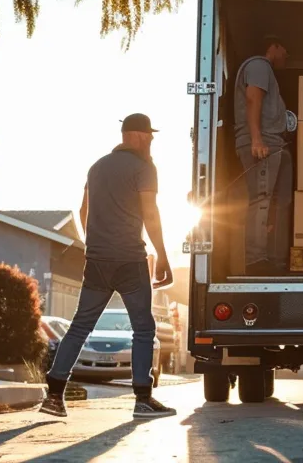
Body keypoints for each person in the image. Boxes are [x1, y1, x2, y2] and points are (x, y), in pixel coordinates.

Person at [39, 113, 177, 420]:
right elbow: (150, 213)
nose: (151, 140)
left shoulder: (97, 167)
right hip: (129, 259)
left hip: (98, 261)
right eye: (149, 135)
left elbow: (83, 209)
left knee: (79, 326)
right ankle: (143, 398)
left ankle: (54, 395)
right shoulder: (145, 168)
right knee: (143, 328)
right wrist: (163, 255)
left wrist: (94, 244)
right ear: (137, 135)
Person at [232, 35, 292, 275]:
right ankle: (256, 260)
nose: (287, 57)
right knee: (262, 199)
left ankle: (275, 259)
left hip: (273, 143)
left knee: (277, 202)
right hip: (262, 142)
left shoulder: (264, 70)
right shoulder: (259, 66)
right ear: (274, 46)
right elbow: (253, 98)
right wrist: (257, 138)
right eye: (285, 50)